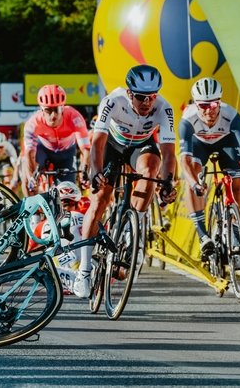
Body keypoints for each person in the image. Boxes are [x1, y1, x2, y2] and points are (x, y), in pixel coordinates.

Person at [75, 65, 178, 298]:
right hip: (112, 145)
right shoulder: (113, 101)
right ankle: (84, 270)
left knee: (152, 169)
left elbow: (169, 153)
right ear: (130, 93)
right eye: (141, 96)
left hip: (140, 146)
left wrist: (167, 183)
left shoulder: (164, 107)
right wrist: (96, 173)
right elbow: (98, 143)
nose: (147, 102)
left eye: (152, 96)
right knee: (100, 199)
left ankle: (134, 229)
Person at [179, 77, 240, 257]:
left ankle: (237, 235)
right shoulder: (187, 120)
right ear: (196, 104)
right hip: (199, 143)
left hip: (226, 142)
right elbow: (185, 162)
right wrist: (195, 184)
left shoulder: (232, 116)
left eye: (213, 105)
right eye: (204, 106)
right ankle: (203, 235)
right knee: (192, 176)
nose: (209, 111)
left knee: (238, 188)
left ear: (219, 102)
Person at [21, 85, 91, 195]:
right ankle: (31, 208)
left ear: (63, 107)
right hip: (43, 149)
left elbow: (86, 150)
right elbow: (29, 152)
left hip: (66, 152)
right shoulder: (33, 123)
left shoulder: (75, 117)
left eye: (57, 109)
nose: (53, 115)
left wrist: (85, 173)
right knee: (28, 173)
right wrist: (31, 177)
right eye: (48, 110)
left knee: (68, 193)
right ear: (41, 109)